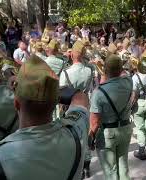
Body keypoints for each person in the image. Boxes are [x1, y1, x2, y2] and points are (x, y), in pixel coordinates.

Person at [0, 54, 90, 180]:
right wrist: (48, 91)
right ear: (55, 101)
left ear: (16, 104)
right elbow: (80, 97)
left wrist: (25, 89)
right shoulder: (76, 132)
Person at [89, 55, 133, 180]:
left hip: (108, 133)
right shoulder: (128, 81)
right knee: (123, 166)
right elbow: (123, 74)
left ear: (106, 70)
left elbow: (95, 122)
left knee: (111, 172)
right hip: (125, 129)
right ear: (120, 69)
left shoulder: (98, 92)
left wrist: (90, 139)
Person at [59, 40, 94, 178]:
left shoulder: (66, 72)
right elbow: (91, 87)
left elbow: (61, 93)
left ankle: (74, 163)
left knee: (72, 134)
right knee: (86, 133)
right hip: (86, 102)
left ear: (72, 54)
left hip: (70, 106)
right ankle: (86, 165)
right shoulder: (89, 70)